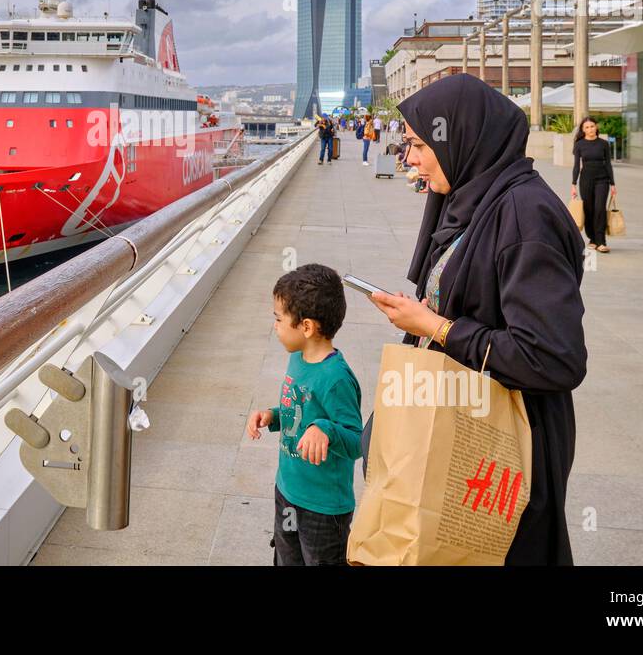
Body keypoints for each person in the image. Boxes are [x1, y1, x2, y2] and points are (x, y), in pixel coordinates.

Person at [366, 73, 586, 566]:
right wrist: (422, 314)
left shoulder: (527, 216)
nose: (410, 159)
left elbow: (552, 358)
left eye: (419, 144)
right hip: (461, 425)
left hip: (505, 441)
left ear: (462, 137)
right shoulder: (474, 201)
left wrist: (437, 328)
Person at [246, 264, 363, 566]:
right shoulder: (298, 359)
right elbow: (297, 410)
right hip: (287, 491)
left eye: (279, 318)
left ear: (307, 327)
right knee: (286, 559)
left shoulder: (336, 378)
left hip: (323, 510)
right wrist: (272, 416)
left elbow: (357, 441)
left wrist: (325, 429)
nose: (275, 325)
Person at [571, 117, 615, 253]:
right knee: (588, 210)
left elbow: (608, 164)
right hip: (586, 180)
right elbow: (577, 166)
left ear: (596, 127)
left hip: (603, 180)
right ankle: (592, 239)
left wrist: (613, 184)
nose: (590, 129)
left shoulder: (603, 144)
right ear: (583, 130)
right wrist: (573, 184)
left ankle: (601, 241)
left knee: (599, 209)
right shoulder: (579, 145)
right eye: (587, 127)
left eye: (592, 126)